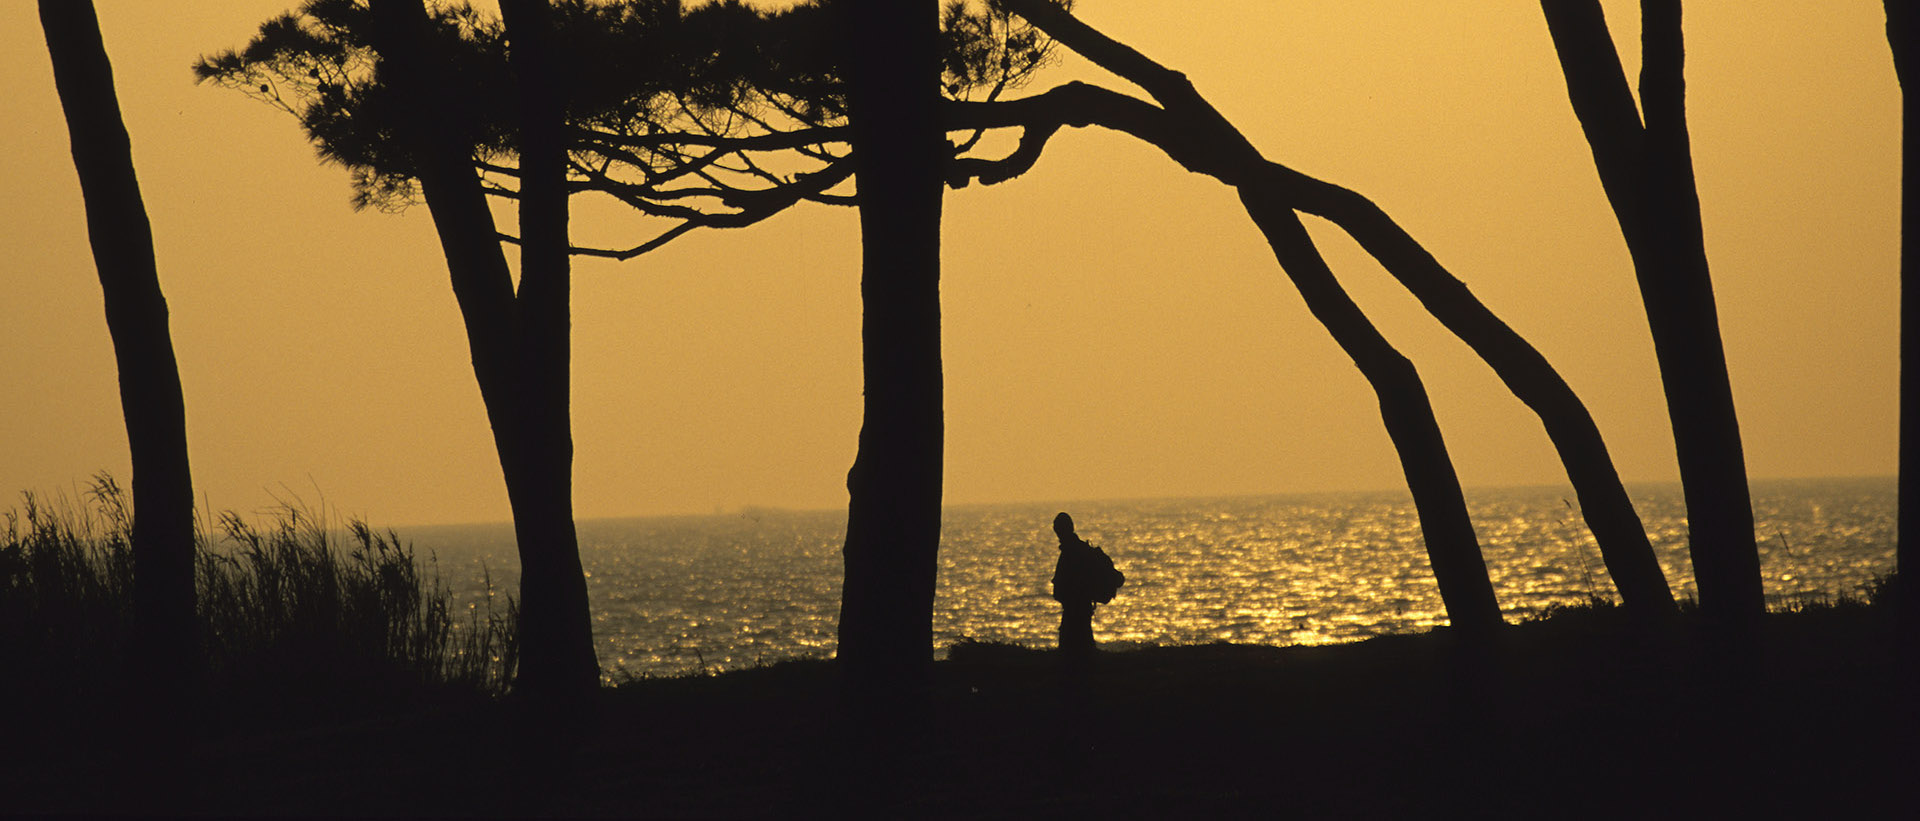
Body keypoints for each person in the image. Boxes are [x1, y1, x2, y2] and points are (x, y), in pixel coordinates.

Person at [1049, 512, 1124, 659]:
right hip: (1080, 608)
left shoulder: (1071, 553)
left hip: (1076, 609)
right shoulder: (1079, 550)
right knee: (1083, 649)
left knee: (1073, 652)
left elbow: (1063, 586)